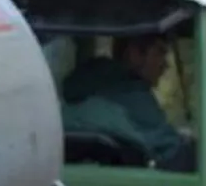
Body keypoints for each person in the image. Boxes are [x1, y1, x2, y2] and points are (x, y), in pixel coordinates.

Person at [58, 35, 194, 170]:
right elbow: (172, 153)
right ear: (135, 54)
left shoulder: (69, 100)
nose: (166, 64)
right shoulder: (134, 96)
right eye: (160, 52)